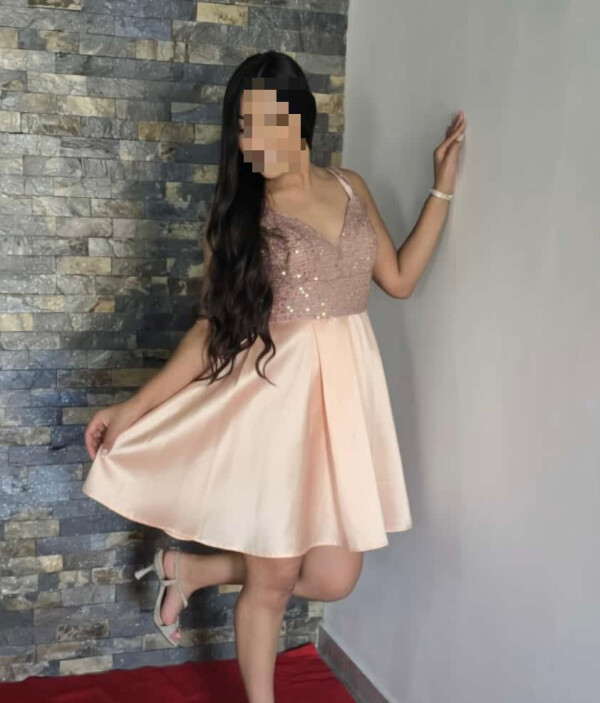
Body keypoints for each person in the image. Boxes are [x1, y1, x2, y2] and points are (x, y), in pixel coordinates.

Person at [81, 50, 466, 703]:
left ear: (300, 118)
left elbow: (399, 278)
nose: (254, 140)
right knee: (272, 584)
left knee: (336, 576)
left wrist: (442, 188)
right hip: (278, 411)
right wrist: (131, 409)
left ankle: (191, 569)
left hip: (344, 411)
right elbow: (209, 332)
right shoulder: (242, 219)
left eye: (267, 122)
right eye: (243, 127)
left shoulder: (350, 186)